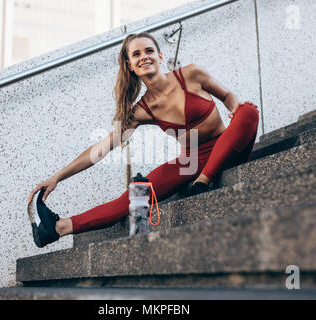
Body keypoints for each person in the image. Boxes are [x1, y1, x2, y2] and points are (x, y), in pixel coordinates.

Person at [27, 32, 259, 248]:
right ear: (130, 65)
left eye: (148, 51)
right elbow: (101, 149)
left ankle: (203, 182)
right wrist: (57, 177)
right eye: (136, 54)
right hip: (192, 162)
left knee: (248, 111)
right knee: (135, 195)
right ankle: (59, 227)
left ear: (159, 55)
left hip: (229, 147)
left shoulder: (191, 74)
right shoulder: (141, 111)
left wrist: (233, 108)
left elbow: (228, 97)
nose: (143, 57)